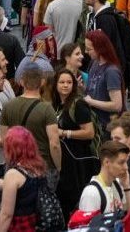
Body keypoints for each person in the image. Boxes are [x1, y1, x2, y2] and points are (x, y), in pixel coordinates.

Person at [0, 67, 62, 188]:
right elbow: (54, 144)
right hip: (42, 166)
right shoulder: (47, 109)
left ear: (21, 82)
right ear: (42, 82)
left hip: (16, 164)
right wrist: (58, 167)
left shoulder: (8, 106)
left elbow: (4, 140)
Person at [0, 126, 51, 231]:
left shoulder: (13, 174)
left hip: (20, 225)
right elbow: (11, 186)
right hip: (37, 222)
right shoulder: (38, 167)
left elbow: (6, 214)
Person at [53, 67, 99, 216]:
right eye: (62, 82)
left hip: (80, 159)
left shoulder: (78, 104)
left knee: (76, 196)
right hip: (66, 158)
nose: (65, 85)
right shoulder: (58, 104)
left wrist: (65, 133)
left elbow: (89, 132)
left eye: (69, 82)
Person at [83, 30, 125, 127]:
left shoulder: (111, 71)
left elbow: (117, 105)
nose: (86, 52)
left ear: (99, 49)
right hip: (97, 122)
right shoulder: (94, 63)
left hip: (108, 126)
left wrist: (91, 102)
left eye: (89, 49)